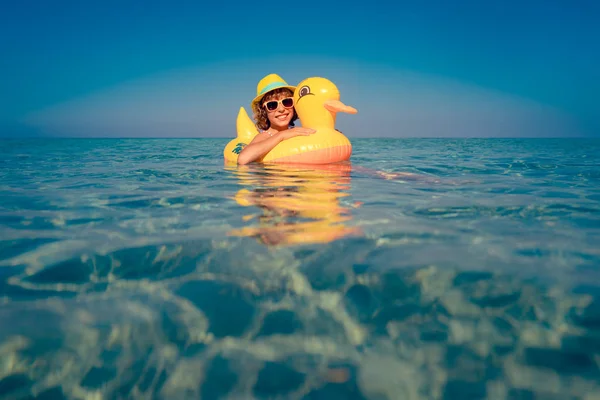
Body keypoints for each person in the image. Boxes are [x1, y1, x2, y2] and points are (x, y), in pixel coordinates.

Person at [237, 74, 316, 165]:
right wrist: (281, 136)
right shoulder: (264, 137)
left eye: (287, 102)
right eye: (272, 105)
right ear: (263, 111)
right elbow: (243, 159)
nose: (281, 109)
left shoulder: (296, 132)